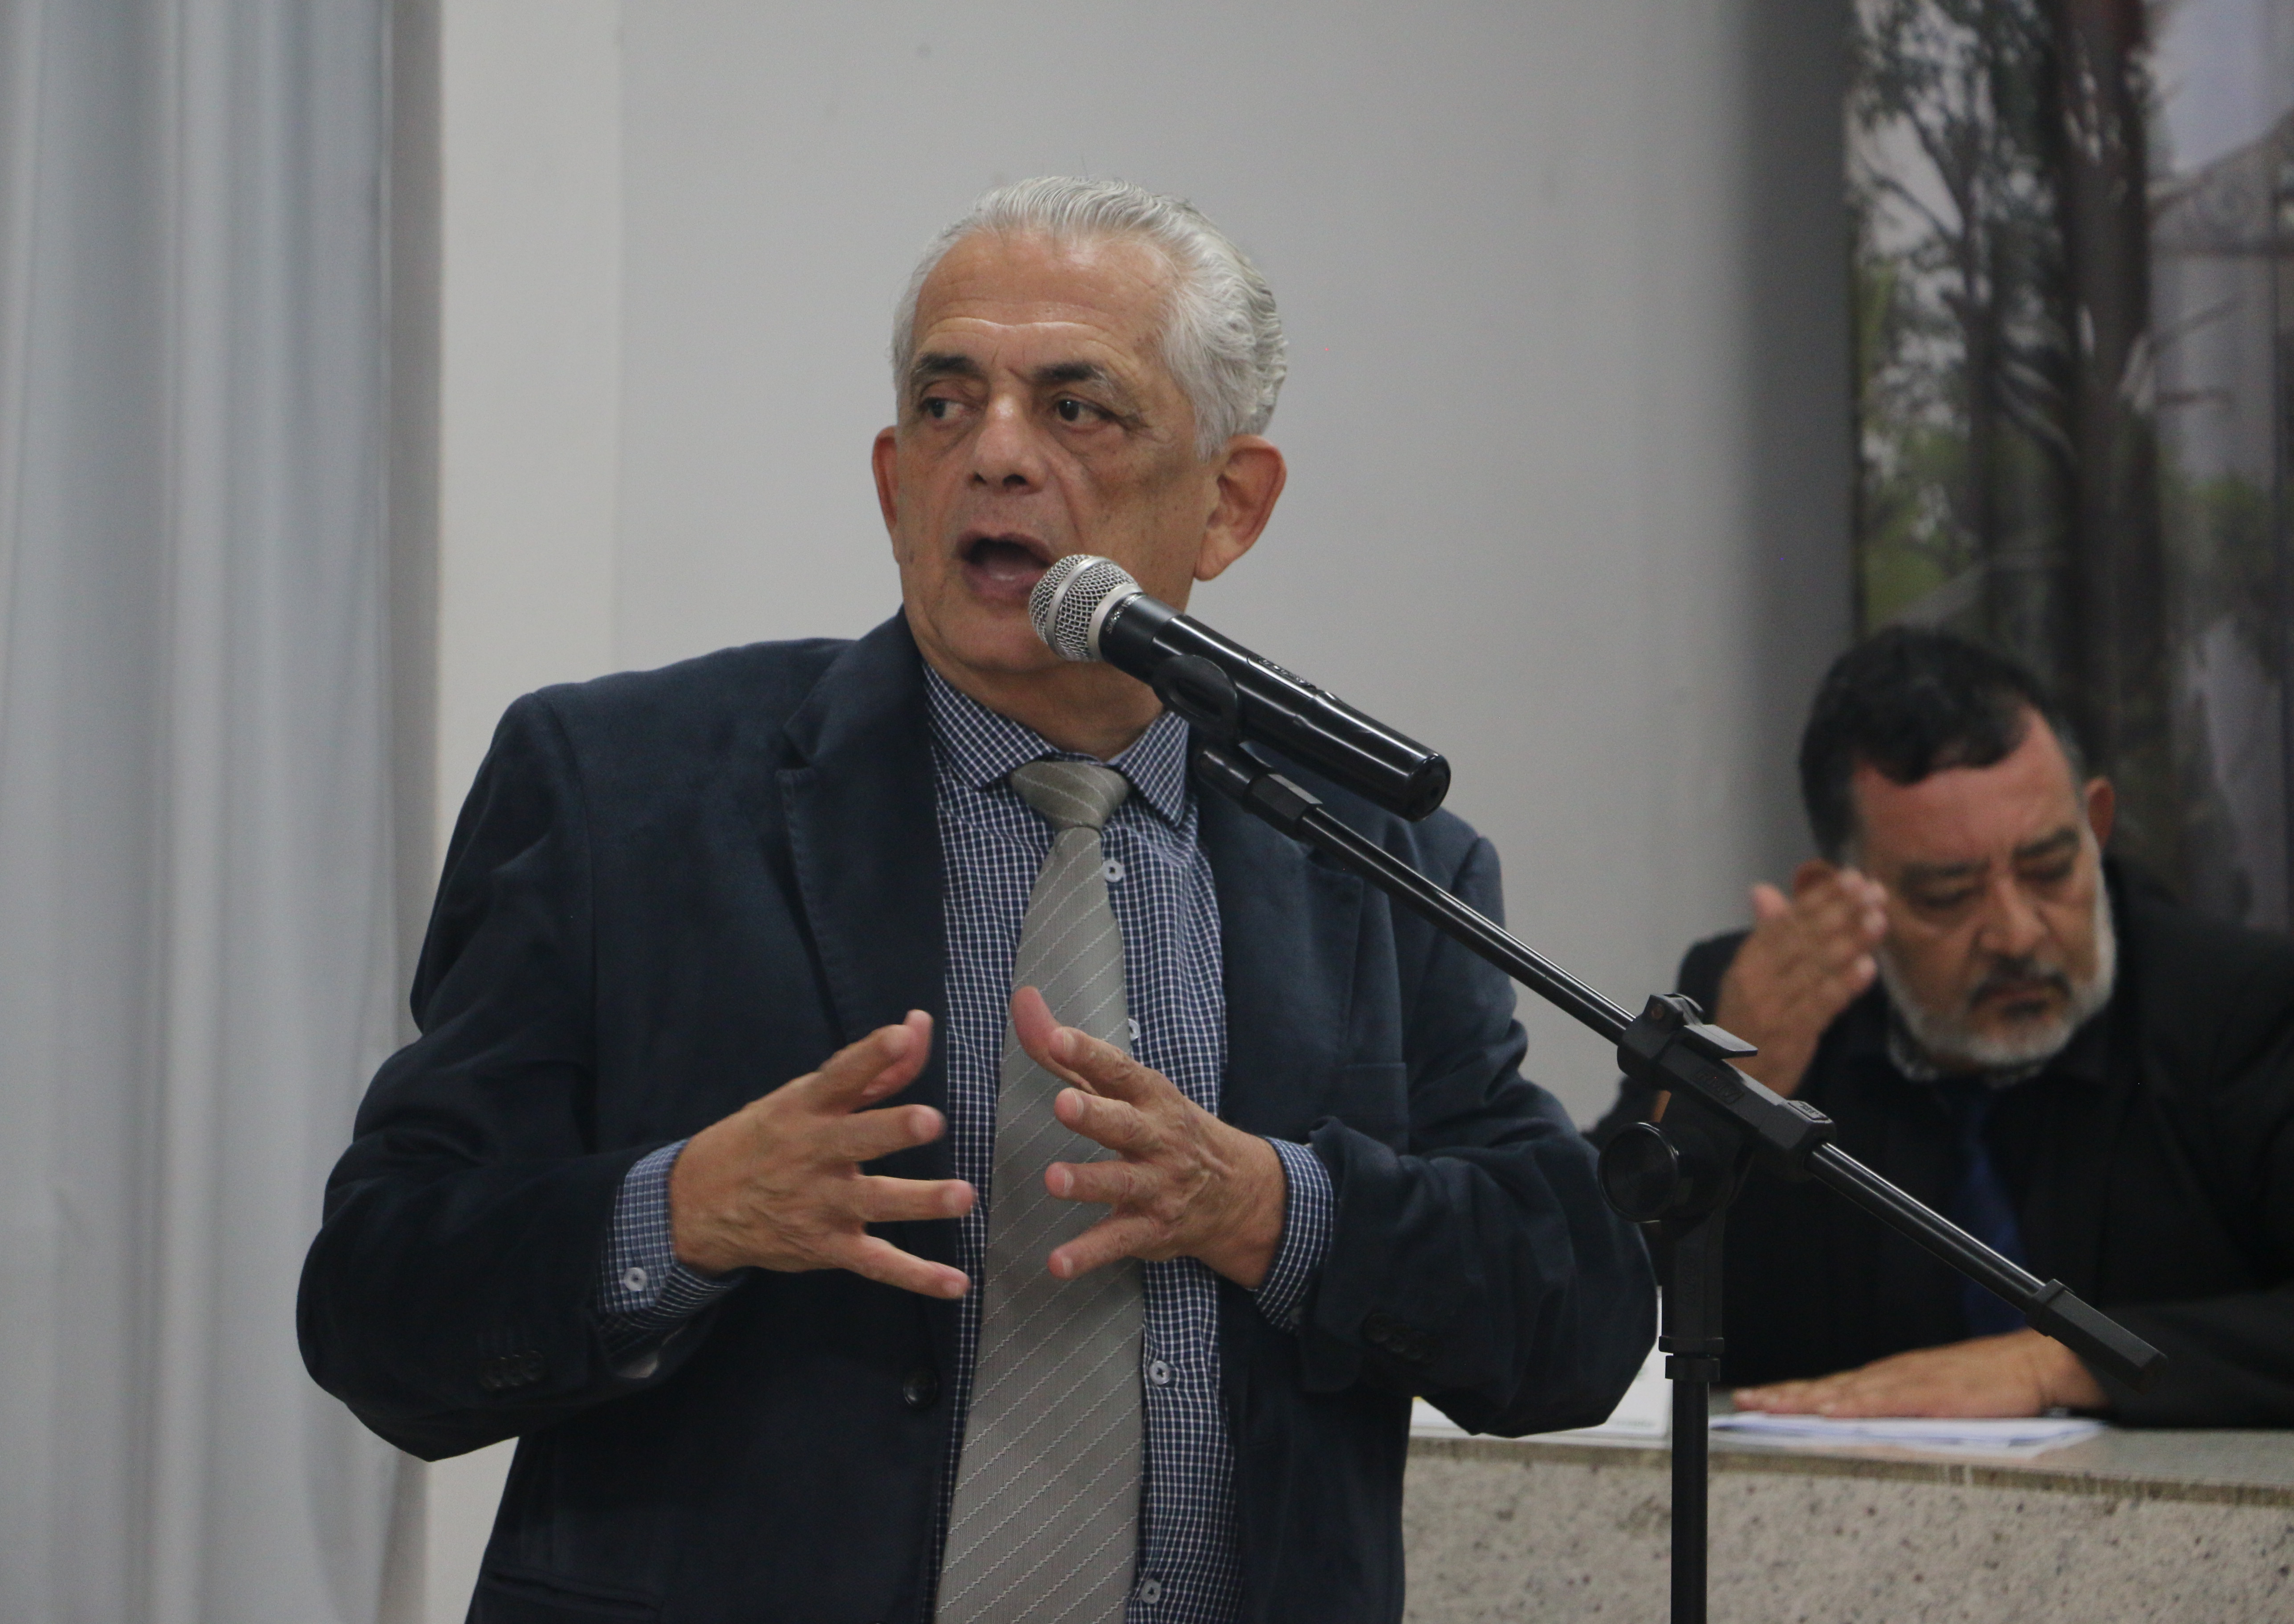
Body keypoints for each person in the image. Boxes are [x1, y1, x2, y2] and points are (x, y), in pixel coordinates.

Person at [299, 177, 1654, 1624]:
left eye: (1078, 409)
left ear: (1230, 503)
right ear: (895, 481)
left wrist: (1276, 1210)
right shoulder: (621, 794)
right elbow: (379, 1303)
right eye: (947, 407)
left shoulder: (1376, 858)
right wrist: (682, 1212)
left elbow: (1568, 1320)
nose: (996, 454)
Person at [1594, 627, 2294, 1425]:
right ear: (1837, 894)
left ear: (2097, 824)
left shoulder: (2238, 1011)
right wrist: (1709, 1114)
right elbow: (1577, 1293)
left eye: (2049, 869)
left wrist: (2064, 1360)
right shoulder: (1763, 1007)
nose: (2016, 934)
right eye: (1948, 897)